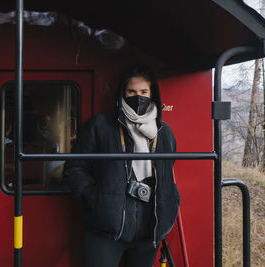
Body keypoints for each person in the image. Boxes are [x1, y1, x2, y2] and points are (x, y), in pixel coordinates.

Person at [63, 66, 181, 267]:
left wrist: (172, 202)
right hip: (106, 229)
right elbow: (75, 168)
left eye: (144, 92)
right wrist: (95, 197)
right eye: (132, 92)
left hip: (149, 230)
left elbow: (167, 171)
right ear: (123, 93)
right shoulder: (100, 126)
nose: (138, 97)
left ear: (153, 94)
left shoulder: (164, 132)